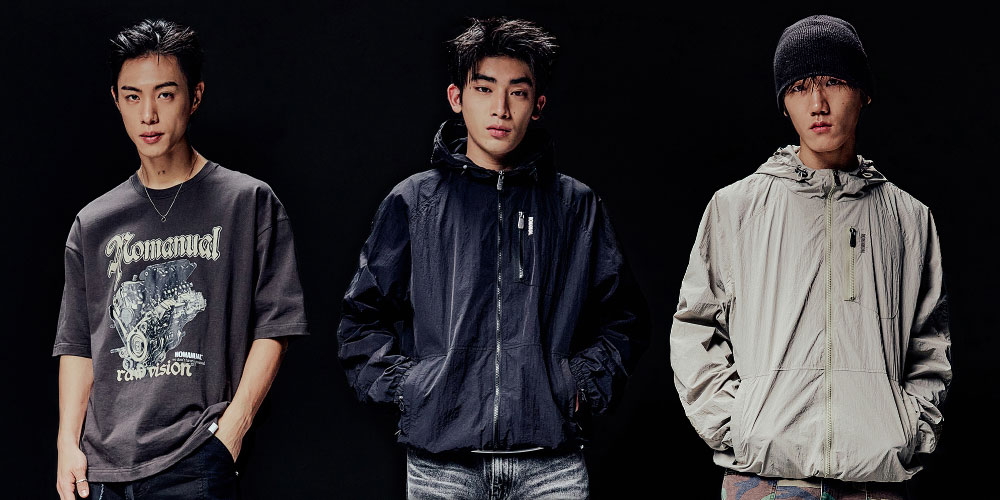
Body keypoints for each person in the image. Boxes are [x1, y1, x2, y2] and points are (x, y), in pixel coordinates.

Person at [337, 17, 649, 499]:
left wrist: (578, 385)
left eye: (517, 93)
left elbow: (624, 319)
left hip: (551, 467)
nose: (500, 108)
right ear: (456, 98)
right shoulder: (414, 202)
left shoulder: (575, 206)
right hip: (442, 467)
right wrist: (410, 388)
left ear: (537, 105)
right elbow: (360, 319)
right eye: (484, 89)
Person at [669, 15, 951, 500]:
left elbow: (930, 346)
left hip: (875, 481)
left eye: (833, 82)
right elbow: (695, 327)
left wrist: (910, 429)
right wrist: (738, 425)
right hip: (764, 479)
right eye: (799, 87)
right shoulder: (735, 208)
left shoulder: (909, 219)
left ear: (863, 93)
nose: (817, 103)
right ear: (784, 103)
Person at [53, 19, 308, 500]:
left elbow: (277, 326)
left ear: (195, 97)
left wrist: (232, 433)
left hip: (195, 460)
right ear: (117, 101)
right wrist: (68, 444)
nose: (148, 114)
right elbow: (78, 344)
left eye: (165, 94)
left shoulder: (247, 203)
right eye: (132, 97)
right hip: (102, 470)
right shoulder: (94, 222)